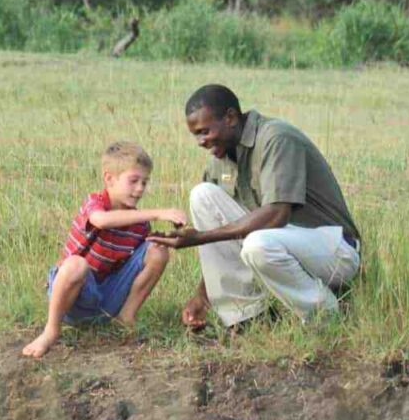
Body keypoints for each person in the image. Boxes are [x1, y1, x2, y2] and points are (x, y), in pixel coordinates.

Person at [149, 84, 361, 327]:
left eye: (204, 131)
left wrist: (200, 237)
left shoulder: (276, 138)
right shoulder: (220, 160)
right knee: (202, 195)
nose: (200, 141)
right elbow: (223, 237)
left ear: (230, 117)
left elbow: (276, 215)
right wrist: (202, 296)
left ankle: (325, 315)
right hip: (284, 245)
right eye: (196, 135)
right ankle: (246, 318)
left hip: (334, 250)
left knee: (257, 245)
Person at [22, 142, 185, 359]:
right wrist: (157, 213)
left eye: (144, 182)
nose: (140, 189)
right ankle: (51, 330)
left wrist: (174, 237)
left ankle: (125, 317)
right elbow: (101, 220)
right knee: (76, 264)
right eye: (133, 181)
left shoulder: (139, 224)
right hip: (73, 299)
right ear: (109, 179)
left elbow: (143, 259)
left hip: (106, 298)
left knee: (158, 250)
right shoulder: (95, 202)